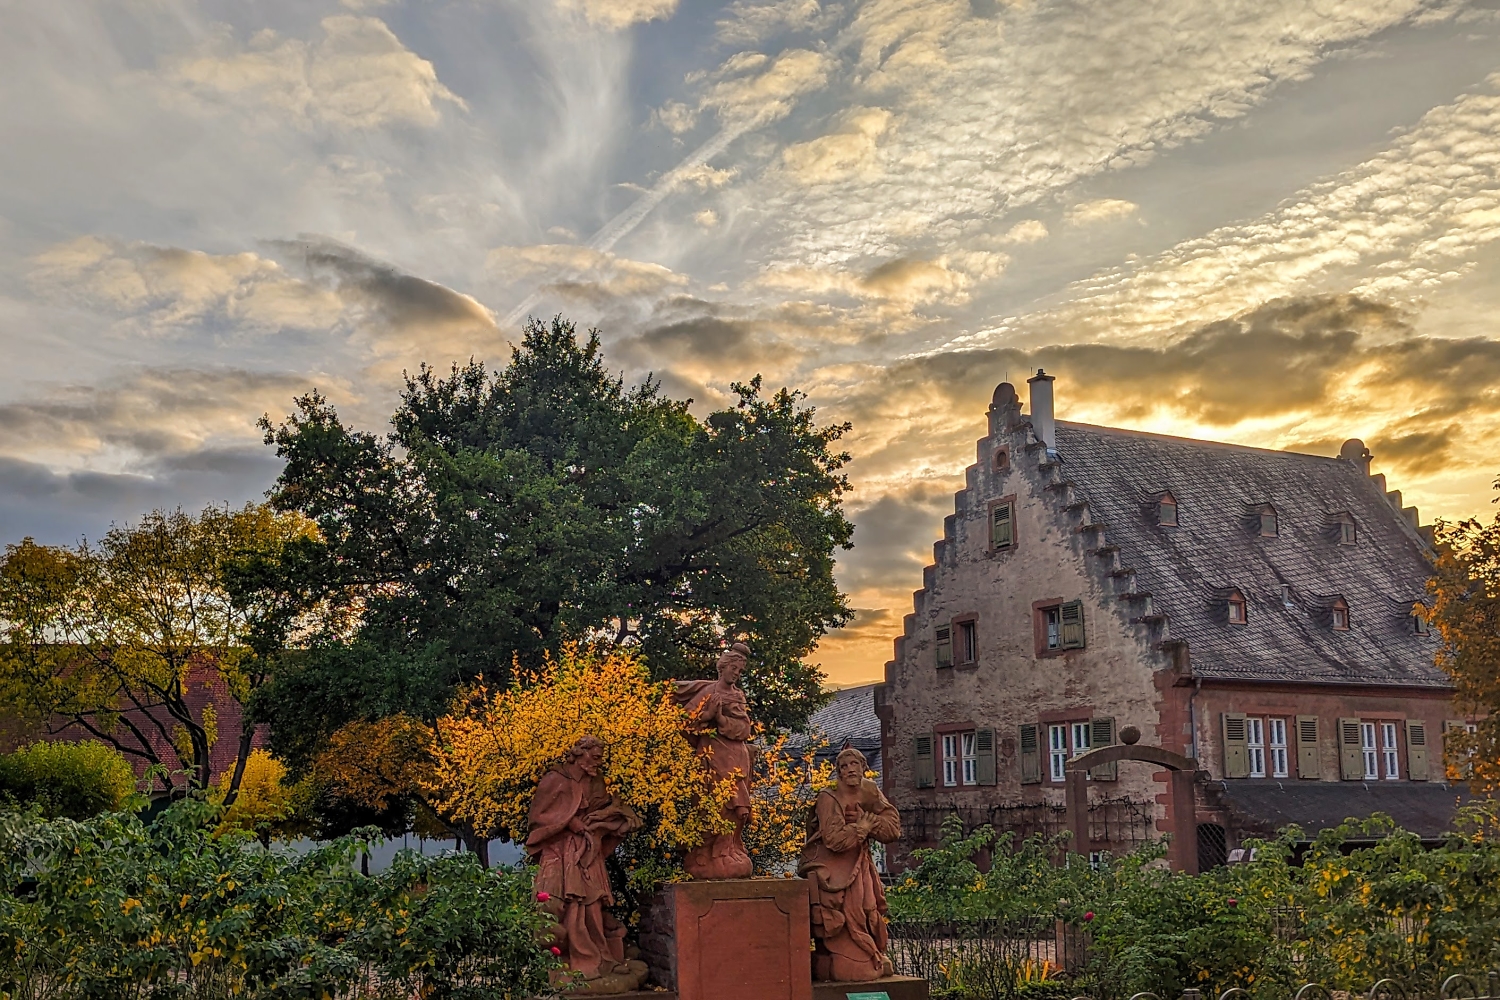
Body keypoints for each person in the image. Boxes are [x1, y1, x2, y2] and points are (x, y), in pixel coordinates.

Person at [527, 735, 647, 993]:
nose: (597, 762)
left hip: (588, 851)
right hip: (561, 852)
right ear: (579, 756)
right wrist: (569, 822)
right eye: (594, 757)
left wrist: (619, 818)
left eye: (600, 758)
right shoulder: (554, 780)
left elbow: (603, 809)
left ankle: (602, 959)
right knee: (570, 906)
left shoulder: (596, 782)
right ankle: (577, 960)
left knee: (593, 903)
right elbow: (538, 817)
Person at [798, 746, 902, 981]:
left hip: (858, 863)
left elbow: (893, 827)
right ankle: (841, 958)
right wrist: (860, 828)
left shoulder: (870, 791)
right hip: (831, 868)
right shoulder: (829, 796)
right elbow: (834, 840)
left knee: (869, 909)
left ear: (864, 768)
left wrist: (870, 823)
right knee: (847, 918)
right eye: (844, 766)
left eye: (854, 765)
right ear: (838, 772)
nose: (850, 770)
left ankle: (872, 951)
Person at [673, 642, 756, 880]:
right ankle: (714, 852)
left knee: (740, 808)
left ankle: (730, 847)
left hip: (736, 755)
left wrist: (720, 720)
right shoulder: (708, 692)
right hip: (712, 755)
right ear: (724, 667)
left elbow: (744, 729)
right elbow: (685, 723)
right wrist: (707, 716)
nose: (737, 674)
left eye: (741, 672)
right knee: (719, 805)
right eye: (735, 669)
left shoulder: (738, 695)